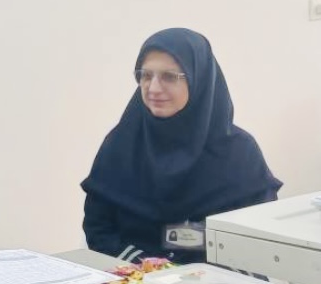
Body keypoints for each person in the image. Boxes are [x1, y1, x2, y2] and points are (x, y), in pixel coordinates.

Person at [81, 28, 282, 264]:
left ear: (199, 80)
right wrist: (145, 269)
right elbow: (98, 227)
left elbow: (256, 238)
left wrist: (193, 275)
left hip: (219, 279)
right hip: (133, 275)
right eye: (145, 75)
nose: (153, 88)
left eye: (169, 77)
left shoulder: (238, 151)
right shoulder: (122, 143)